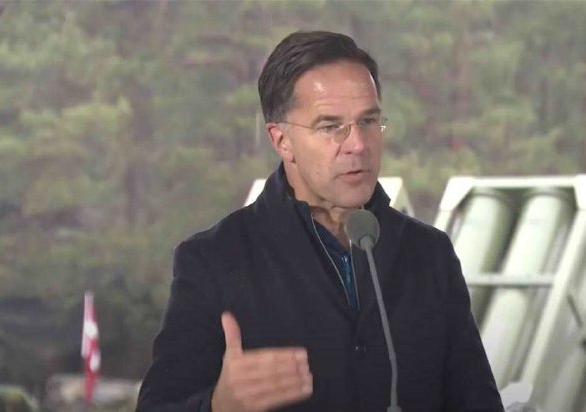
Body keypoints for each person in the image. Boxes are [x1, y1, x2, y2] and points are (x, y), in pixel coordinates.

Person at [136, 30, 503, 412]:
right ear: (281, 140)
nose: (358, 144)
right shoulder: (214, 260)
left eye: (368, 121)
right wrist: (219, 406)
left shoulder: (429, 253)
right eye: (330, 127)